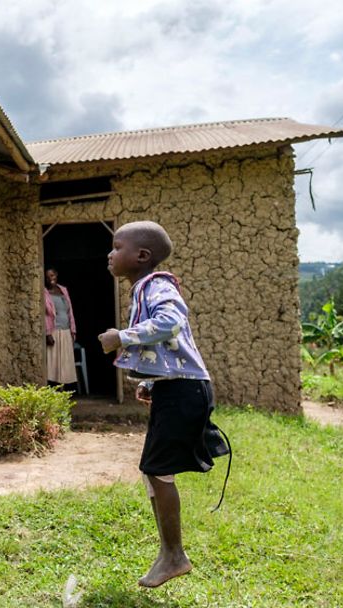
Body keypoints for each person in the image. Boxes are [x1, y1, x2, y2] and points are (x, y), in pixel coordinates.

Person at [97, 220, 227, 588]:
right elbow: (169, 346)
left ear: (141, 256)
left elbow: (171, 321)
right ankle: (170, 553)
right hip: (176, 388)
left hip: (186, 391)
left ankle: (174, 555)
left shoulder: (156, 285)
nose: (110, 253)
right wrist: (154, 384)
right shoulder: (143, 288)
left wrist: (122, 336)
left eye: (117, 246)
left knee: (157, 468)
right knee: (153, 469)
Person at [43, 267, 77, 388]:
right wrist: (47, 333)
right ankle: (54, 392)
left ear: (56, 275)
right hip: (54, 331)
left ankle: (65, 392)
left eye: (52, 276)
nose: (50, 279)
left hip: (66, 330)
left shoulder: (63, 290)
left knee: (65, 363)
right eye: (47, 277)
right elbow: (44, 314)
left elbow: (70, 311)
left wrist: (73, 330)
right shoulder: (44, 292)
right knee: (54, 365)